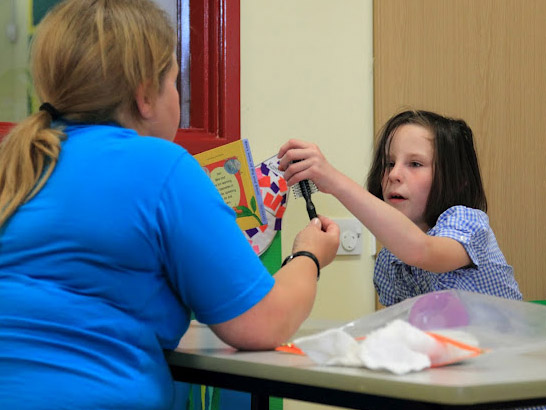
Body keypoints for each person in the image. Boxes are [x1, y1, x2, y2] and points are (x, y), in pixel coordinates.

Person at [0, 1, 340, 409]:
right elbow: (262, 324)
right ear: (146, 95)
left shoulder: (16, 165)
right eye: (174, 82)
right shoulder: (162, 168)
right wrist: (309, 255)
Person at [278, 110, 522, 307]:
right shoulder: (390, 262)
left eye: (415, 164)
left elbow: (421, 251)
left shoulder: (469, 223)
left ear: (458, 180)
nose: (394, 174)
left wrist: (334, 181)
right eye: (389, 163)